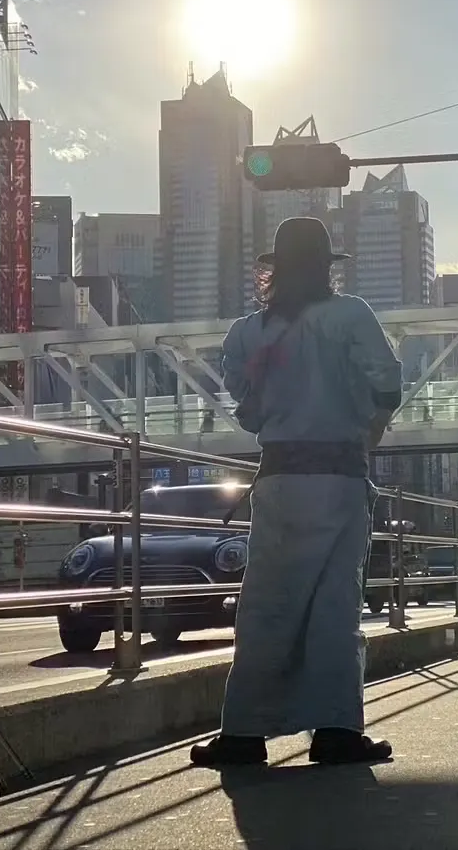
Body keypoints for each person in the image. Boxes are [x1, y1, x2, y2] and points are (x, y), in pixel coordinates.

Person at [189, 216, 402, 769]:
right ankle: (336, 732)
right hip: (340, 476)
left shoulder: (248, 333)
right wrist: (371, 426)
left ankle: (243, 734)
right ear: (327, 268)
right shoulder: (351, 315)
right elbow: (387, 381)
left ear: (275, 271)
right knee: (336, 607)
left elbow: (248, 410)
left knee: (266, 606)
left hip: (280, 476)